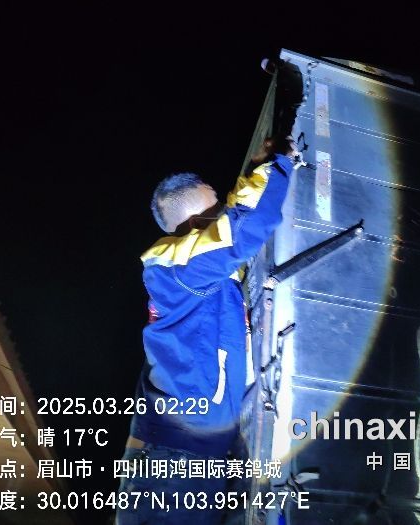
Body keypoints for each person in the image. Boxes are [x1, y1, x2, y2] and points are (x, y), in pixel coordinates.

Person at [115, 135, 299, 525]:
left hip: (189, 458)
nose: (226, 212)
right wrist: (277, 163)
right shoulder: (175, 268)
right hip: (174, 466)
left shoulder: (195, 276)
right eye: (218, 211)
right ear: (198, 226)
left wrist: (253, 169)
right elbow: (242, 229)